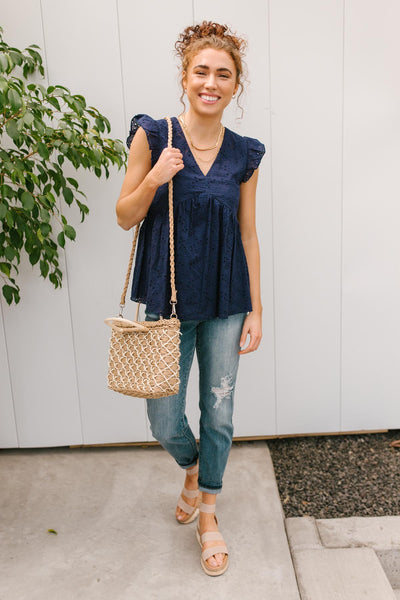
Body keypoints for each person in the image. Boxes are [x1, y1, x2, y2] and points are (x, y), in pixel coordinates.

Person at [116, 21, 265, 576]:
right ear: (185, 77)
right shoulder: (153, 136)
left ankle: (208, 513)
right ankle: (195, 467)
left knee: (219, 411)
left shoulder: (246, 153)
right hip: (169, 300)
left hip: (227, 301)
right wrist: (154, 177)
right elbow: (123, 215)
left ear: (235, 86)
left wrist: (256, 308)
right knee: (162, 415)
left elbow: (249, 234)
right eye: (201, 71)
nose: (211, 82)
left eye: (223, 74)